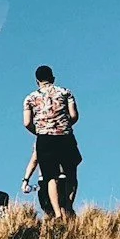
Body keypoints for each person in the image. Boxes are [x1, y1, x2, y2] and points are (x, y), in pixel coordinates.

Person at [21, 64, 81, 219]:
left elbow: (27, 123)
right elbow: (74, 115)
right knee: (71, 172)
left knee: (50, 176)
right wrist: (64, 125)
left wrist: (40, 131)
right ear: (53, 78)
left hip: (44, 138)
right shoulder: (66, 92)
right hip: (65, 136)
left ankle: (56, 212)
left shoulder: (30, 98)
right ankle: (68, 206)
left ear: (37, 81)